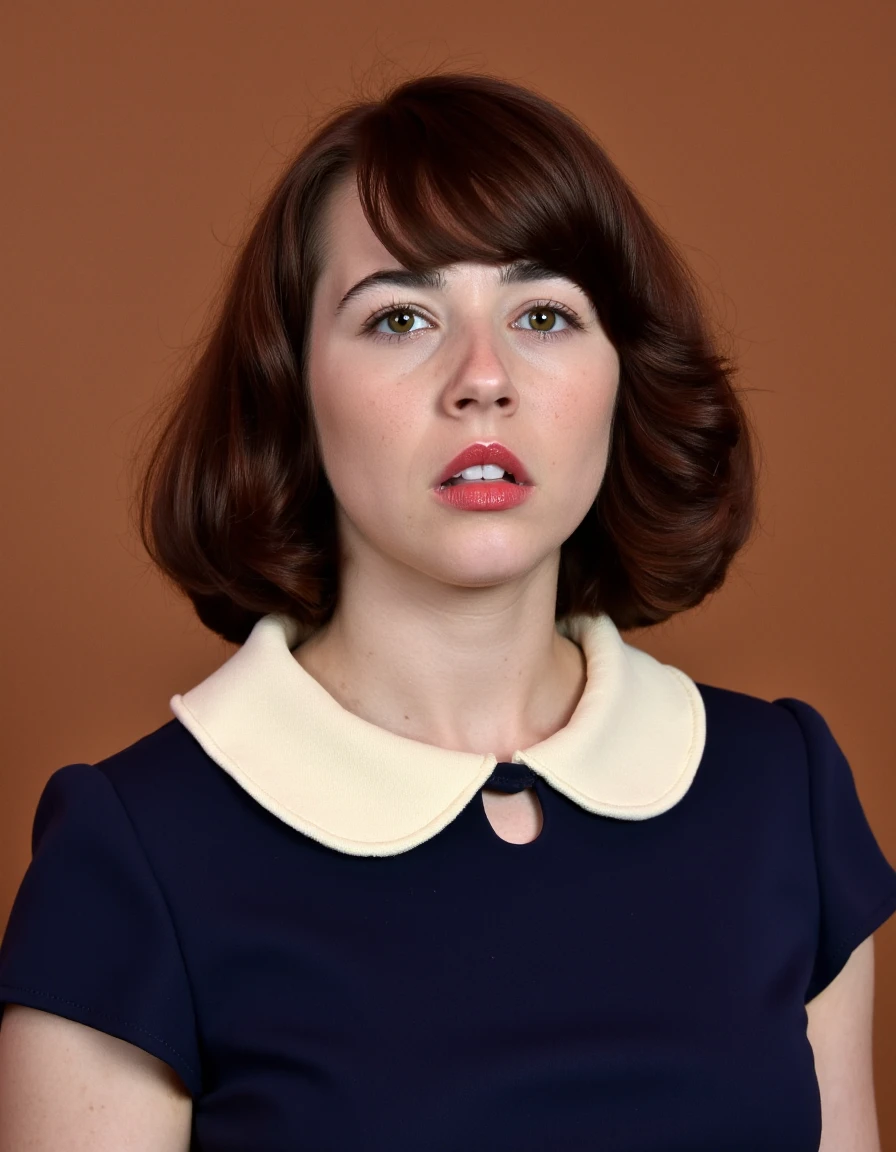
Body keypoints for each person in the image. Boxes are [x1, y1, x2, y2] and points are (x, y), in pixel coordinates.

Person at [0, 70, 894, 1152]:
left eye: (543, 314)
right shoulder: (132, 854)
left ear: (620, 375)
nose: (482, 378)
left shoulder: (780, 797)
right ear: (292, 385)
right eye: (400, 317)